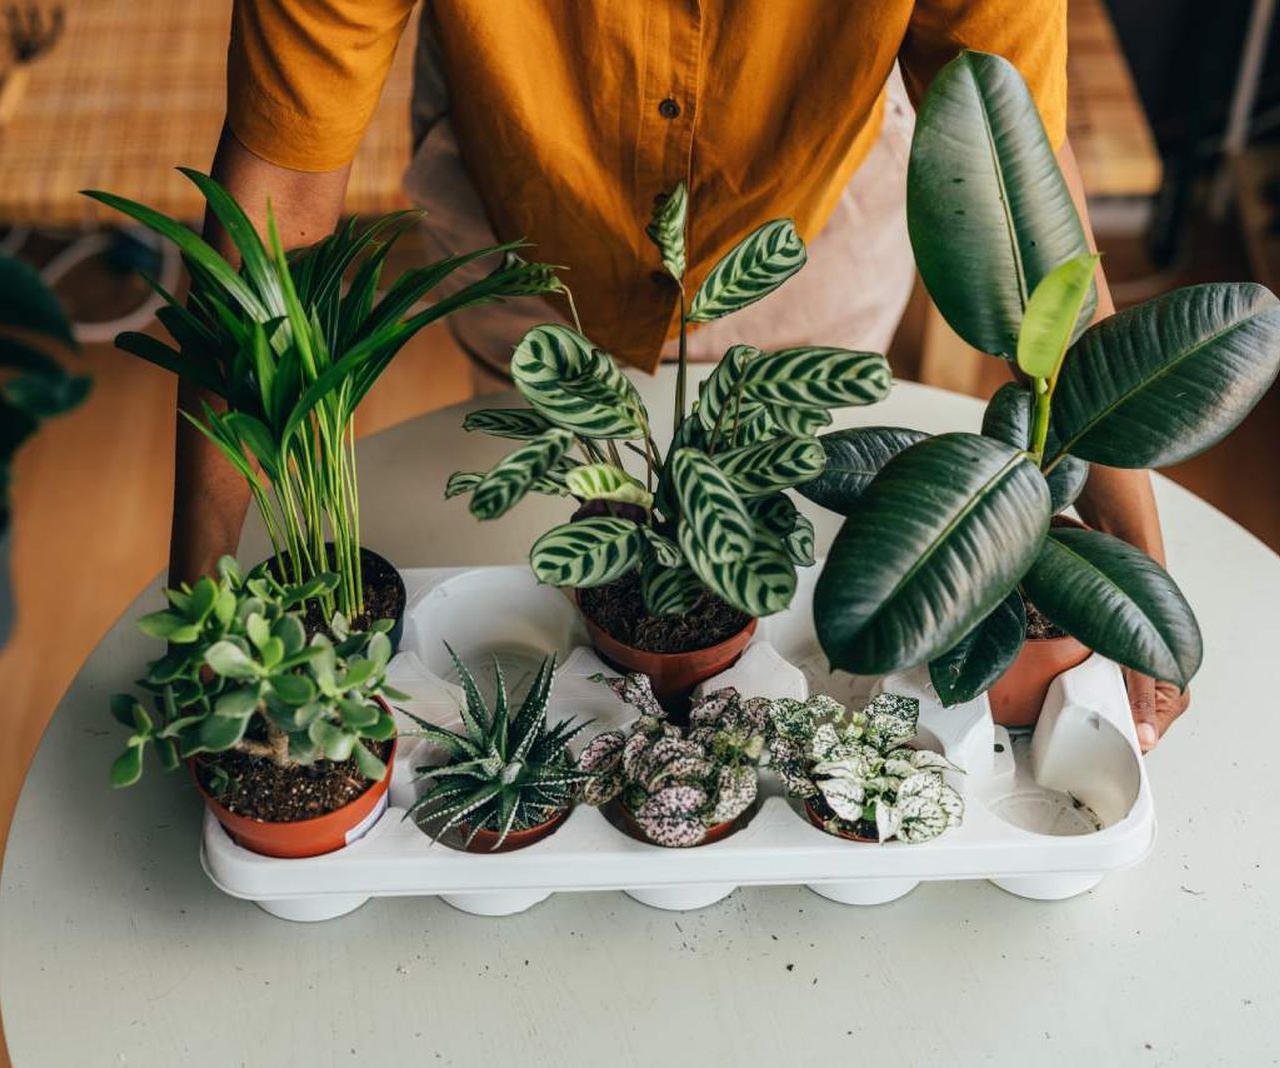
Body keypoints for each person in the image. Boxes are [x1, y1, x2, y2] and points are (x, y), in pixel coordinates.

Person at [173, 0, 1187, 751]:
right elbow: (278, 214)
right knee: (552, 533)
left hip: (811, 218)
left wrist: (1133, 578)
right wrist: (200, 602)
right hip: (529, 198)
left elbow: (1026, 211)